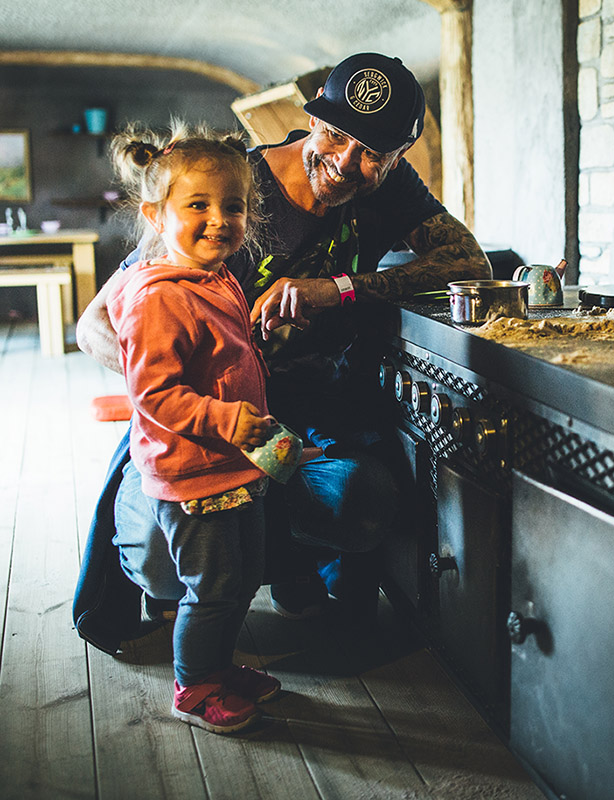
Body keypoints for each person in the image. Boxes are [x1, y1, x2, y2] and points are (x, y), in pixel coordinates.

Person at [73, 52, 491, 652]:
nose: (347, 163)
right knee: (155, 547)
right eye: (337, 135)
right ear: (313, 116)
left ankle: (284, 567)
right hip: (204, 423)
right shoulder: (225, 188)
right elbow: (94, 327)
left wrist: (339, 289)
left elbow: (467, 262)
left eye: (373, 154)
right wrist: (186, 393)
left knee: (361, 498)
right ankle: (205, 604)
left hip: (306, 415)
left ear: (398, 157)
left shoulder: (390, 186)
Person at [104, 123, 312, 733]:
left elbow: (217, 355)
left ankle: (218, 668)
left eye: (234, 206)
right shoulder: (156, 299)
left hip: (233, 462)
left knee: (244, 576)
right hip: (193, 473)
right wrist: (226, 417)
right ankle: (194, 688)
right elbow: (155, 394)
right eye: (198, 205)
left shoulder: (216, 277)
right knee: (213, 587)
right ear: (155, 213)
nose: (219, 219)